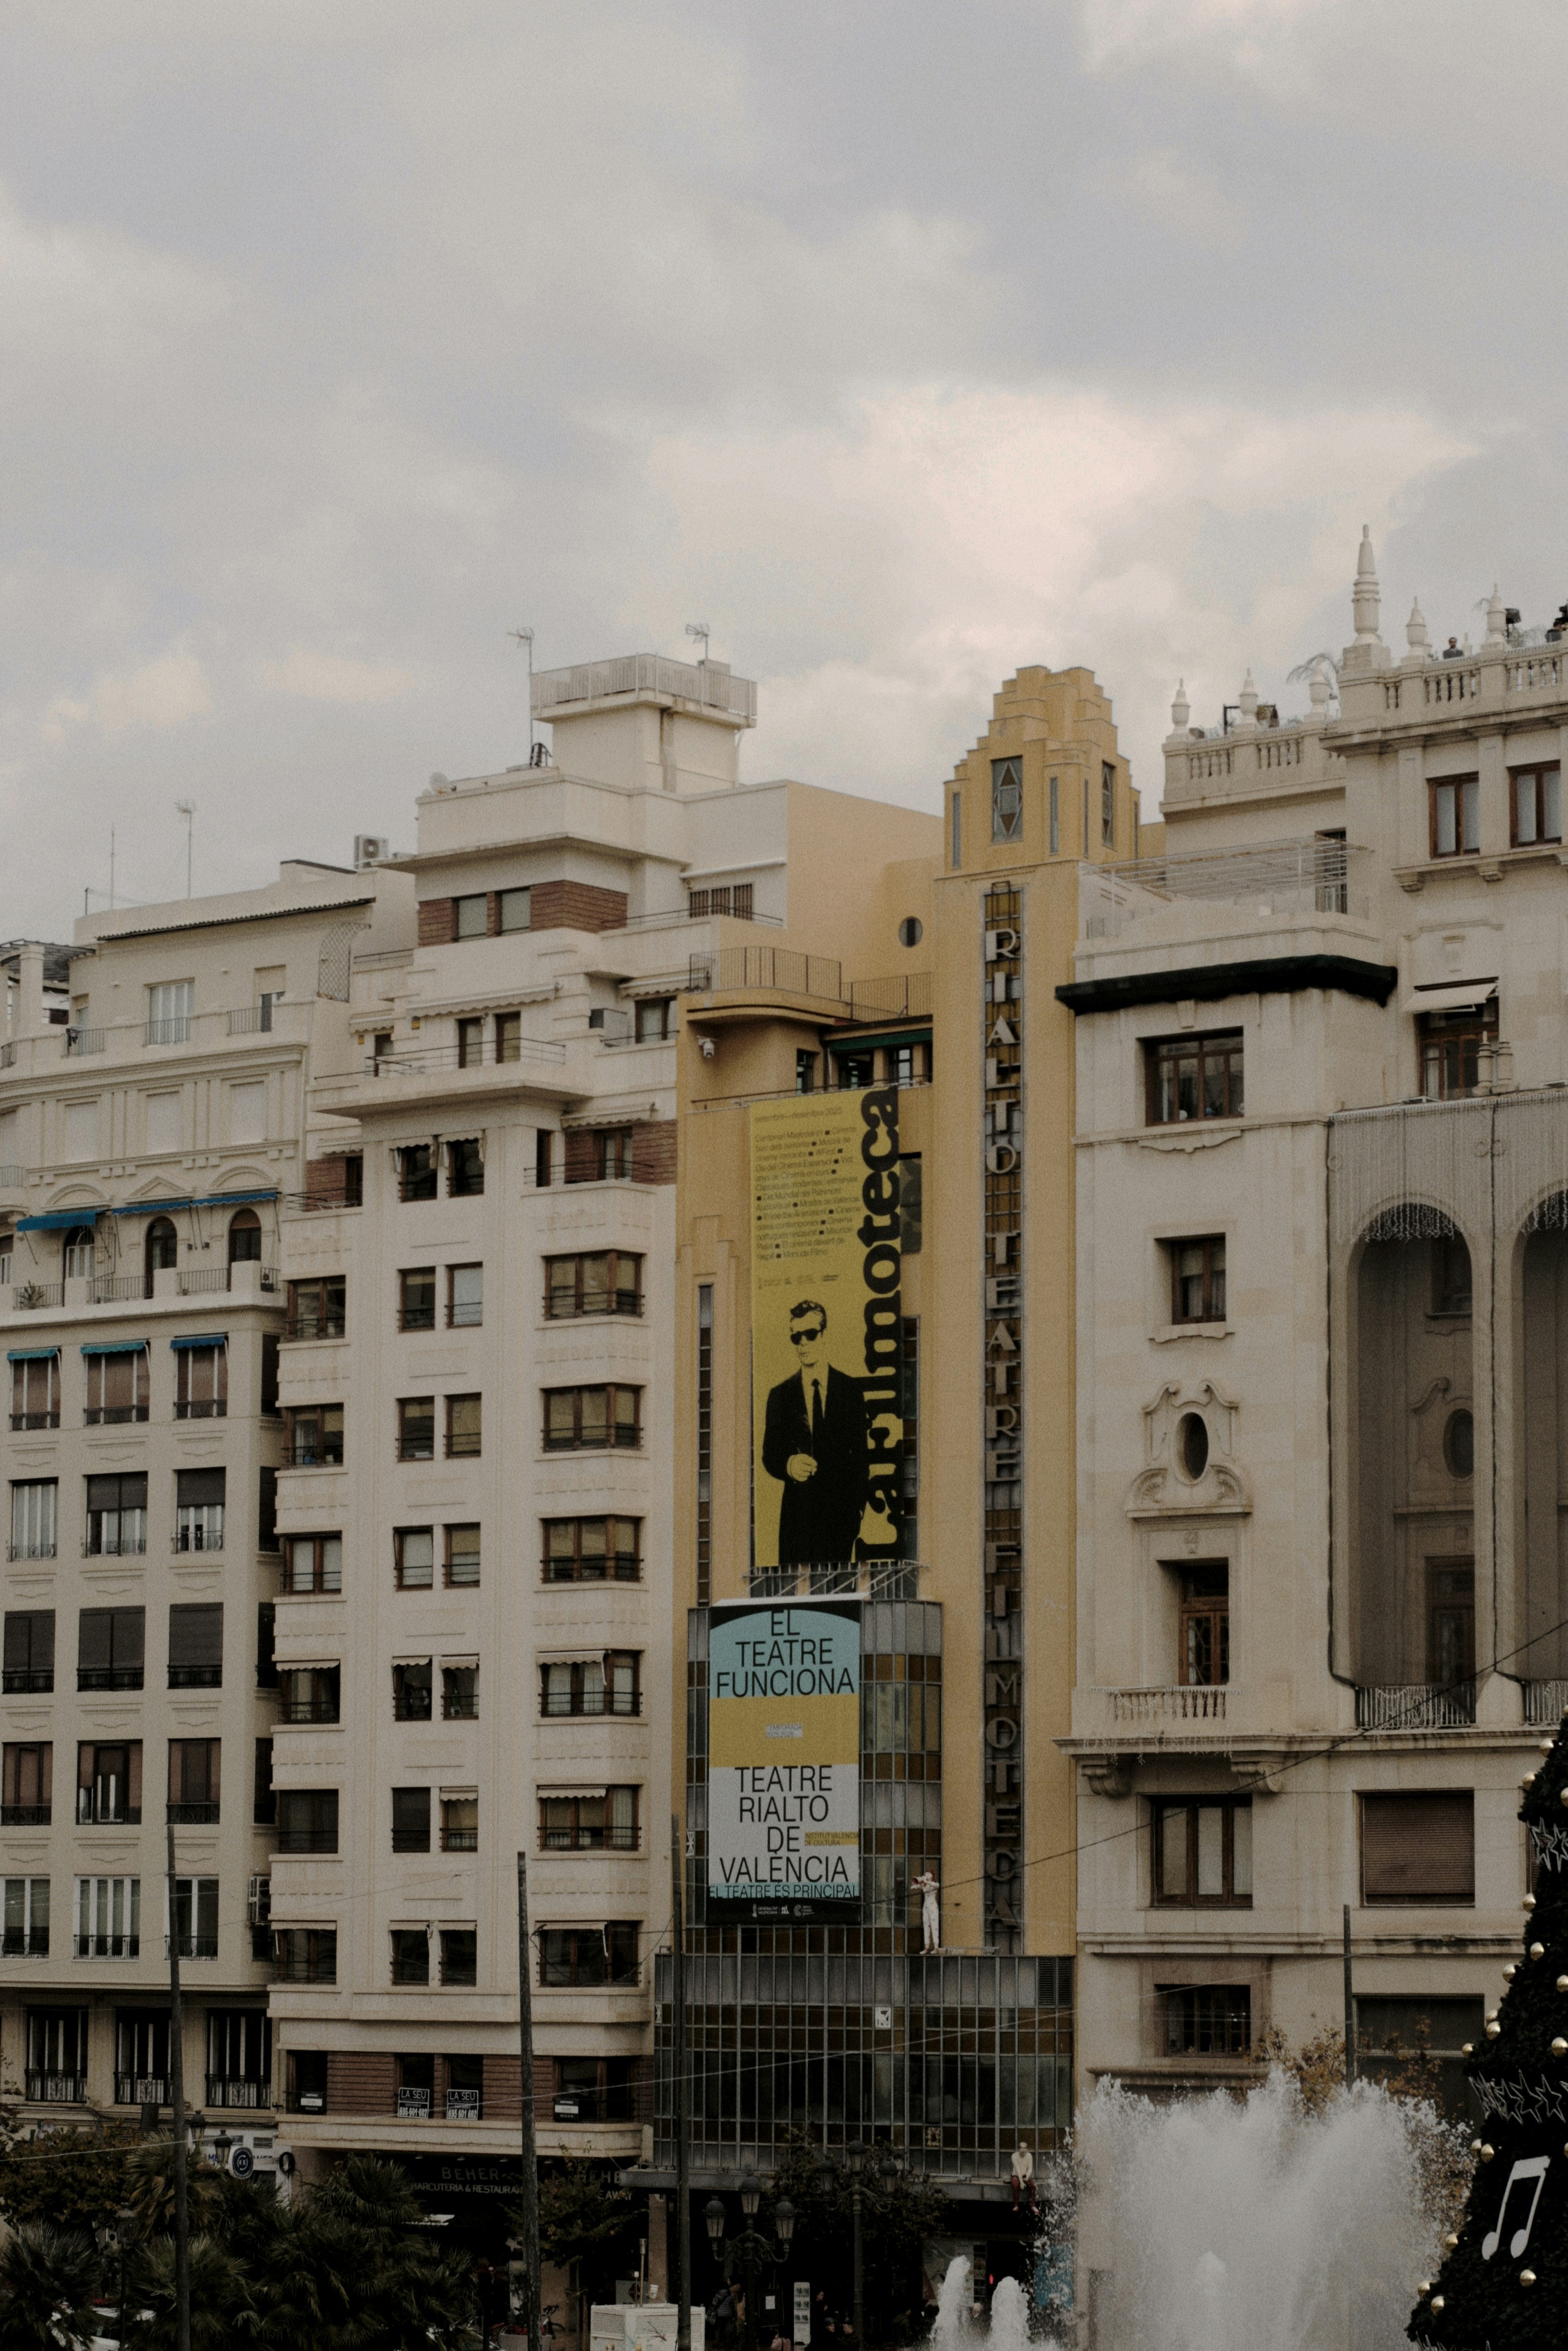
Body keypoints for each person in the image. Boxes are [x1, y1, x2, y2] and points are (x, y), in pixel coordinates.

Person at [761, 1300, 869, 1568]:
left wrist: (855, 1513)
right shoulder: (780, 1395)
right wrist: (789, 1464)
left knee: (837, 1599)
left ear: (824, 1335)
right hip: (797, 1525)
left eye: (810, 1334)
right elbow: (769, 1453)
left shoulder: (851, 1391)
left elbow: (861, 1459)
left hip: (839, 1524)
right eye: (796, 1337)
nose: (803, 1343)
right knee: (795, 1603)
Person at [913, 1869, 940, 1953]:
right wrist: (916, 1885)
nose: (927, 1875)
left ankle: (936, 1947)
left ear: (932, 1875)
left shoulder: (933, 1884)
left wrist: (927, 1881)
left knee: (934, 1925)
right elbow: (918, 1886)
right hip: (926, 1907)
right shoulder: (925, 1885)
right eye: (926, 1874)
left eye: (928, 1874)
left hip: (933, 1906)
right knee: (926, 1926)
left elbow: (937, 1885)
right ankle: (927, 1948)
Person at [1011, 2140, 1036, 2212]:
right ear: (1019, 2150)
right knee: (1016, 2185)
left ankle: (1033, 2206)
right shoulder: (1014, 2156)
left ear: (1027, 2150)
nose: (1024, 2154)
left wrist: (1027, 2177)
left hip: (1025, 2175)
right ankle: (1016, 2206)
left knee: (1033, 2185)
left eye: (1025, 2152)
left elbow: (1030, 2168)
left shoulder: (1029, 2156)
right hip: (1016, 2175)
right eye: (1022, 2152)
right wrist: (1021, 2182)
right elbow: (1017, 2169)